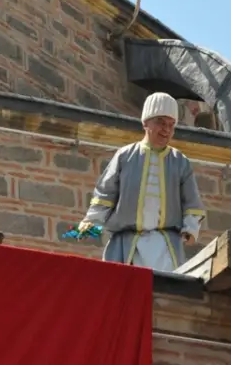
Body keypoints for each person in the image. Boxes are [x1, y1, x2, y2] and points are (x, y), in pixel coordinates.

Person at [77, 92, 206, 271]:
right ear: (146, 122)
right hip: (126, 245)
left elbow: (192, 201)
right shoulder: (125, 156)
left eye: (171, 125)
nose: (166, 129)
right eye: (160, 122)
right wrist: (92, 222)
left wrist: (190, 229)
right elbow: (105, 194)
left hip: (166, 247)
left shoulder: (180, 161)